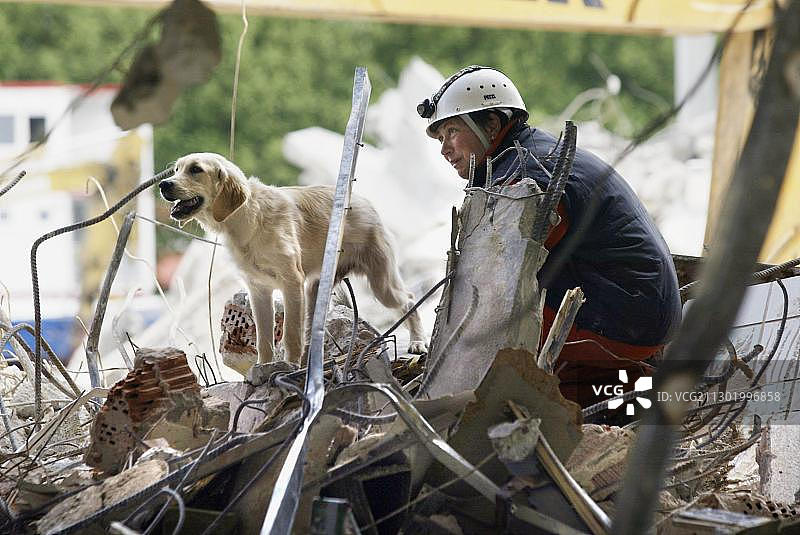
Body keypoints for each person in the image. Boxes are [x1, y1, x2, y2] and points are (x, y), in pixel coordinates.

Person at [418, 65, 682, 407]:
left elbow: (501, 284)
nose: (445, 149)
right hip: (636, 313)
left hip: (628, 323)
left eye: (452, 132)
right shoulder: (524, 158)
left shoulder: (530, 174)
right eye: (441, 139)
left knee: (499, 312)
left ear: (493, 124)